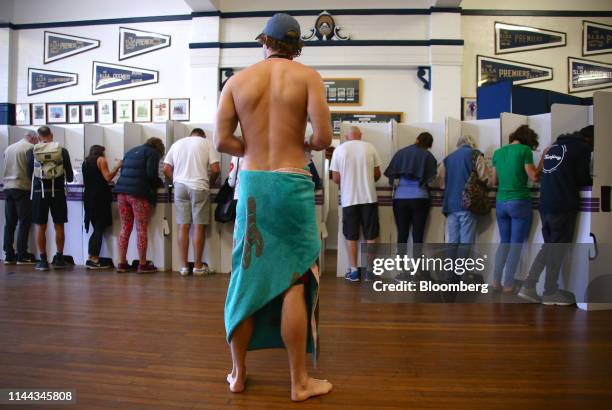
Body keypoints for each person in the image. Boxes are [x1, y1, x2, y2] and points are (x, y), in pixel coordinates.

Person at [214, 13, 333, 401]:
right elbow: (323, 137)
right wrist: (302, 145)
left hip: (252, 184)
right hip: (292, 181)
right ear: (296, 46)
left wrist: (251, 148)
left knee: (245, 277)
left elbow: (222, 141)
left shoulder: (236, 81)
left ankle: (237, 374)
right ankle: (298, 382)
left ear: (264, 41)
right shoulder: (308, 77)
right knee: (294, 280)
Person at [519, 125, 593, 305]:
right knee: (556, 248)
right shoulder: (582, 148)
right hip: (563, 203)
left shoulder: (554, 147)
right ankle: (550, 292)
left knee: (550, 246)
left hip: (546, 203)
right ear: (590, 140)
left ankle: (529, 286)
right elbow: (583, 178)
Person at [163, 128, 220, 276]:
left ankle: (183, 267)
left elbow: (166, 168)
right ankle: (198, 266)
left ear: (190, 135)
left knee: (183, 226)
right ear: (203, 136)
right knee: (198, 226)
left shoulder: (177, 144)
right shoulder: (207, 143)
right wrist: (209, 183)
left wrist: (175, 180)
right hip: (199, 186)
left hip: (180, 187)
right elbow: (215, 169)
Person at [491, 125, 541, 293]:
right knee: (516, 244)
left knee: (504, 243)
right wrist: (542, 162)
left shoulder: (498, 152)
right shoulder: (525, 150)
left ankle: (495, 281)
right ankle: (509, 284)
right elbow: (533, 176)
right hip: (519, 201)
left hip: (500, 203)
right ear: (529, 140)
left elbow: (493, 182)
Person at [330, 126, 382, 282]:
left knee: (351, 235)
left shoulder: (339, 150)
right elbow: (377, 174)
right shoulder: (370, 147)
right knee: (371, 235)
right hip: (369, 198)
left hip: (349, 199)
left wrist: (347, 182)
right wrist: (367, 181)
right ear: (361, 136)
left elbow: (335, 178)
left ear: (347, 136)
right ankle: (369, 272)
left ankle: (353, 271)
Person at [113, 137, 165, 274]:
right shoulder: (152, 153)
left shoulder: (131, 151)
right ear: (159, 149)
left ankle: (122, 263)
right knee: (141, 228)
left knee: (125, 227)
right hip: (138, 194)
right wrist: (159, 183)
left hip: (121, 193)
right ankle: (142, 264)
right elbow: (151, 174)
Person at [26, 126, 74, 271]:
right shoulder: (62, 150)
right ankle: (59, 258)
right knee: (59, 225)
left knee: (41, 226)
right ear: (51, 135)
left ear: (38, 137)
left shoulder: (31, 151)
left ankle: (42, 261)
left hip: (39, 192)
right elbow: (70, 177)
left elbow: (30, 175)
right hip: (58, 191)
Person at [384, 132, 437, 249]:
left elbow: (391, 173)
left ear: (417, 139)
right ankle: (417, 265)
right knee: (418, 235)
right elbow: (432, 178)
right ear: (429, 145)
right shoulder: (428, 156)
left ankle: (401, 264)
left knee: (402, 233)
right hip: (420, 198)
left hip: (400, 198)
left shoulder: (401, 153)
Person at [438, 135, 489, 244]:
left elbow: (441, 184)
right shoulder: (476, 155)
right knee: (466, 243)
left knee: (452, 241)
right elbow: (484, 178)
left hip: (450, 205)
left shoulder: (447, 158)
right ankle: (462, 262)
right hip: (468, 203)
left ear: (458, 145)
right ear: (472, 144)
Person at [2, 130, 38, 265]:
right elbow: (31, 170)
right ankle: (22, 254)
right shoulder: (30, 148)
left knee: (10, 222)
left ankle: (8, 254)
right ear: (33, 138)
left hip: (7, 187)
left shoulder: (9, 148)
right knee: (24, 221)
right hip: (22, 187)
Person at [82, 145, 121, 269]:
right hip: (99, 197)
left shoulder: (86, 161)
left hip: (88, 197)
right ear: (101, 152)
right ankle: (94, 258)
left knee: (96, 228)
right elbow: (108, 177)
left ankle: (91, 257)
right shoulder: (101, 160)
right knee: (99, 228)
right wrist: (117, 166)